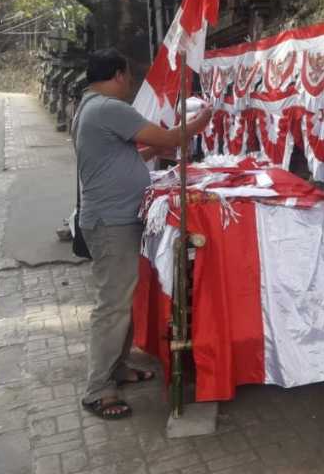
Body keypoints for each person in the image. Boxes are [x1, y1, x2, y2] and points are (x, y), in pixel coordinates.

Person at [73, 48, 211, 419]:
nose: (130, 85)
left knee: (121, 299)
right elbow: (169, 140)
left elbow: (133, 155)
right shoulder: (108, 108)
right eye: (129, 78)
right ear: (118, 74)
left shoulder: (90, 107)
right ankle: (98, 389)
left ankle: (116, 368)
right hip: (111, 223)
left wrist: (172, 142)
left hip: (113, 219)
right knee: (112, 305)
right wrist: (201, 122)